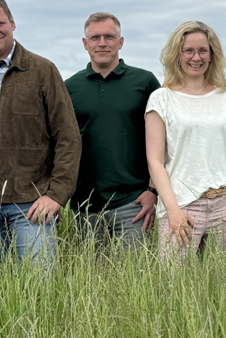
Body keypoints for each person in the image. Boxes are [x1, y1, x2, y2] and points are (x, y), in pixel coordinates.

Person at [0, 0, 81, 261]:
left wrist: (56, 195)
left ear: (12, 23)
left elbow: (68, 137)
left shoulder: (42, 71)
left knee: (38, 288)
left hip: (31, 199)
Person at [145, 21, 226, 254]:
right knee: (176, 287)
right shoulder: (161, 99)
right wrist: (172, 210)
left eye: (203, 50)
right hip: (181, 207)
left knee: (221, 286)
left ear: (212, 54)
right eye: (188, 51)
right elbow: (155, 161)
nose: (196, 57)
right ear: (177, 54)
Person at [66, 13, 160, 246]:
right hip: (86, 205)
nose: (102, 43)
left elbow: (164, 140)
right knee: (91, 280)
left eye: (109, 36)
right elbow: (60, 143)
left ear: (121, 42)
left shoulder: (145, 82)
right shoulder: (69, 88)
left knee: (136, 279)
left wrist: (153, 191)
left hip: (134, 203)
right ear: (85, 43)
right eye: (95, 37)